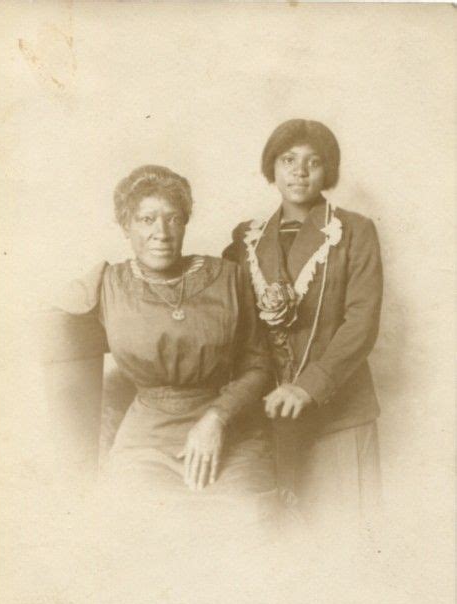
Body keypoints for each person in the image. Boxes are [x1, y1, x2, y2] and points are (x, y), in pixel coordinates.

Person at [53, 164, 276, 505]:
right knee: (131, 518)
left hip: (228, 429)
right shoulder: (108, 283)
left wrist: (218, 417)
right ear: (125, 225)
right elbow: (42, 321)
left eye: (173, 218)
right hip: (146, 438)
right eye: (146, 220)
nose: (162, 232)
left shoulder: (229, 277)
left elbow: (259, 365)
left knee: (247, 516)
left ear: (185, 222)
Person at [223, 119, 383, 524]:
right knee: (283, 539)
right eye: (288, 159)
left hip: (340, 412)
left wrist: (309, 386)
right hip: (269, 412)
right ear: (271, 167)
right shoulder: (247, 239)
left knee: (346, 534)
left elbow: (361, 322)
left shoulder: (355, 232)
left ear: (328, 170)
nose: (300, 171)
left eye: (313, 162)